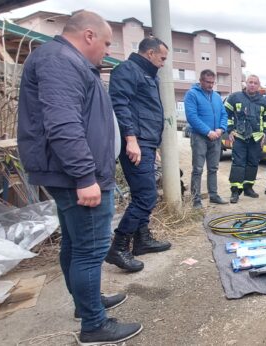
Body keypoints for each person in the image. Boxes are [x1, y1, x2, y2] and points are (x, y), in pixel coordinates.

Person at [17, 11, 142, 344]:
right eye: (105, 43)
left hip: (73, 172)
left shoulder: (65, 60)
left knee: (76, 243)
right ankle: (94, 324)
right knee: (90, 248)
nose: (106, 50)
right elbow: (62, 124)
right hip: (77, 176)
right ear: (88, 35)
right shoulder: (61, 61)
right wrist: (85, 176)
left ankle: (86, 304)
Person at [107, 37, 172, 273]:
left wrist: (152, 146)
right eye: (162, 58)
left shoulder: (147, 74)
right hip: (136, 142)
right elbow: (120, 105)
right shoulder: (127, 70)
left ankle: (142, 240)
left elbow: (146, 111)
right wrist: (131, 139)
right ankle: (119, 246)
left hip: (145, 142)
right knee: (146, 196)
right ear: (151, 53)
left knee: (141, 193)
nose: (164, 63)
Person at [184, 69, 229, 208]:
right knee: (197, 168)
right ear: (201, 80)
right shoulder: (192, 94)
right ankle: (196, 199)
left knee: (213, 168)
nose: (210, 85)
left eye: (212, 82)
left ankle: (213, 195)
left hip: (216, 137)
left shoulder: (216, 96)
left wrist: (221, 129)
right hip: (199, 137)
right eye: (208, 82)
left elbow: (224, 114)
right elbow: (192, 117)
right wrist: (207, 131)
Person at [225, 75, 266, 203]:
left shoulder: (263, 101)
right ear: (246, 83)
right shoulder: (235, 97)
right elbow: (225, 114)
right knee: (238, 163)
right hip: (239, 137)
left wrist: (265, 134)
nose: (252, 85)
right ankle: (235, 191)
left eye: (255, 83)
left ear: (259, 85)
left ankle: (248, 188)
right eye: (250, 82)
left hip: (255, 139)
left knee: (253, 163)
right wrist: (230, 130)